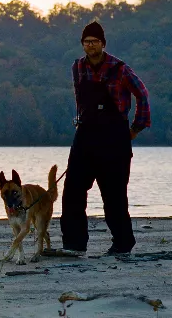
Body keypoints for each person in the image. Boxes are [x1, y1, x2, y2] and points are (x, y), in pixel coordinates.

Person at [60, 21, 150, 255]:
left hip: (114, 137)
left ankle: (122, 244)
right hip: (85, 134)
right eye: (87, 42)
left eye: (95, 42)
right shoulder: (78, 67)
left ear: (103, 43)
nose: (90, 46)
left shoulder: (119, 68)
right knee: (72, 192)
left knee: (114, 195)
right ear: (82, 45)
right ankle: (74, 244)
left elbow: (142, 94)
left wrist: (136, 128)